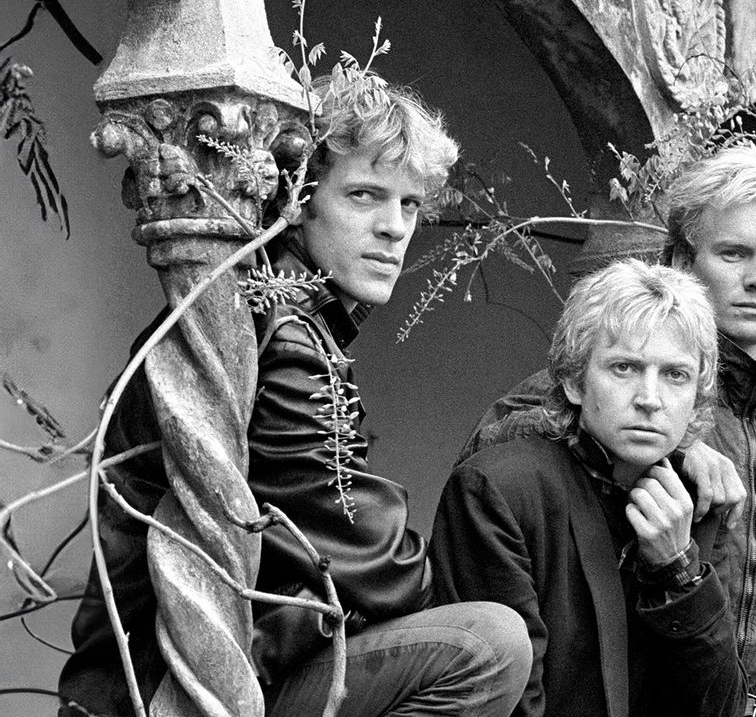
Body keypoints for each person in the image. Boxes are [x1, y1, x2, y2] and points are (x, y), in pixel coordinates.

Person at [58, 78, 532, 717]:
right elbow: (375, 559)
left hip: (207, 667)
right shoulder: (279, 333)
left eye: (411, 204)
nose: (394, 229)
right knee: (490, 645)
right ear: (298, 198)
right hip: (159, 689)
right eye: (364, 196)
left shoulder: (281, 314)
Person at [467, 145, 756, 717]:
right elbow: (500, 466)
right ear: (681, 261)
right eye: (733, 254)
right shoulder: (623, 404)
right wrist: (682, 442)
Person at [431, 259, 747, 717]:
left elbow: (721, 708)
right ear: (574, 380)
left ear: (697, 395)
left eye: (675, 375)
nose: (650, 399)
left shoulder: (690, 506)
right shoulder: (498, 489)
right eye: (624, 368)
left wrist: (677, 572)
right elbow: (513, 704)